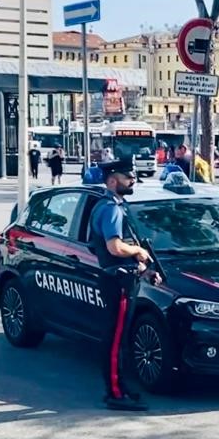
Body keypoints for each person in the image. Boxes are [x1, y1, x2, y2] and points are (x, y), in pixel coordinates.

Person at [88, 157, 159, 411]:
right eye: (128, 177)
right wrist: (137, 251)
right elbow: (115, 247)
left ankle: (121, 387)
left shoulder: (110, 205)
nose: (133, 180)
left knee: (120, 336)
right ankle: (115, 393)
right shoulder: (110, 209)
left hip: (121, 278)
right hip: (118, 281)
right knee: (116, 338)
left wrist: (144, 267)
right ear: (112, 180)